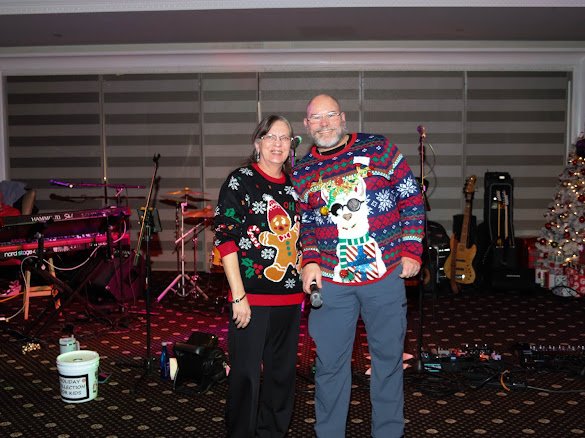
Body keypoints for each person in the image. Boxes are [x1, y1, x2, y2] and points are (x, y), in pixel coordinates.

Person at [291, 94, 425, 438]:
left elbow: (411, 197)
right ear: (306, 125)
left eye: (330, 115)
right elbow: (307, 225)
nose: (324, 123)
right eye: (316, 118)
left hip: (384, 274)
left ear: (343, 117)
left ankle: (388, 433)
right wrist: (310, 260)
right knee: (329, 365)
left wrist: (412, 249)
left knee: (388, 361)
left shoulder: (379, 149)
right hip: (332, 282)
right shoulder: (303, 171)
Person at [213, 115, 304, 438]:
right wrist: (238, 296)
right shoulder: (241, 181)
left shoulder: (296, 186)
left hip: (290, 297)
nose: (278, 144)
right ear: (258, 142)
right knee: (246, 376)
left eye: (285, 138)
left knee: (282, 376)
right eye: (271, 137)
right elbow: (225, 239)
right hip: (250, 298)